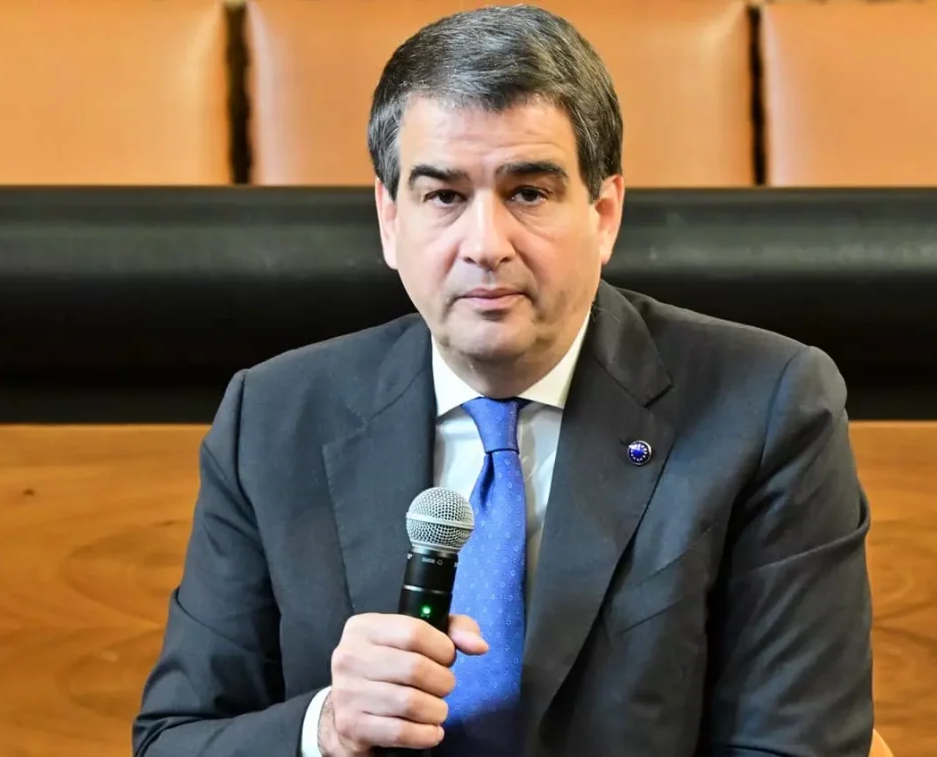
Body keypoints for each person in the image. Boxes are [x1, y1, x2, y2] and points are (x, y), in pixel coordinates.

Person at [133, 5, 874, 756]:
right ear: (390, 219)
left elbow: (797, 745)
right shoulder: (274, 417)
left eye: (528, 193)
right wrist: (325, 728)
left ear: (604, 213)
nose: (485, 245)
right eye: (444, 196)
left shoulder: (766, 406)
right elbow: (174, 739)